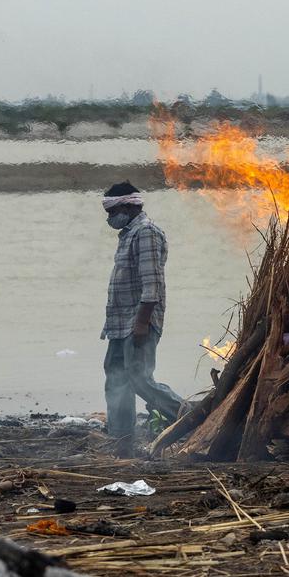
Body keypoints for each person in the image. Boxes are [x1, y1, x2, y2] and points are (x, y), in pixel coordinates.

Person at [99, 182, 183, 456]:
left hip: (138, 323)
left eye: (112, 211)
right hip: (119, 324)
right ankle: (122, 444)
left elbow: (152, 286)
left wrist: (141, 323)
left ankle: (187, 418)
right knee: (116, 379)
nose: (110, 218)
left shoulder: (146, 233)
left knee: (139, 378)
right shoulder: (128, 234)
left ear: (128, 206)